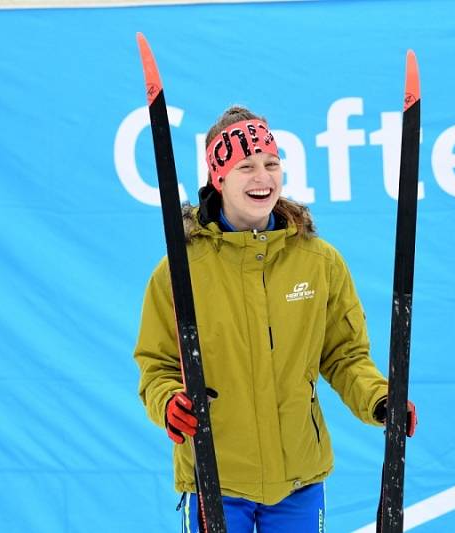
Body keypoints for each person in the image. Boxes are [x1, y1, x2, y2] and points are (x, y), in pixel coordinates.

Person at [133, 105, 417, 532]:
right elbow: (157, 368)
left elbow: (344, 356)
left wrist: (380, 399)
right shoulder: (179, 271)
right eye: (245, 167)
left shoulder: (318, 262)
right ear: (219, 177)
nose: (262, 177)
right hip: (216, 478)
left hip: (298, 482)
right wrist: (171, 404)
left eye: (271, 163)